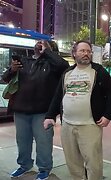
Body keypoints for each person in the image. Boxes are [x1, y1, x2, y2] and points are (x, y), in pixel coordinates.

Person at [44, 40, 111, 180]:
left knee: (93, 163)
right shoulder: (67, 73)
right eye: (82, 51)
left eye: (88, 51)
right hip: (67, 125)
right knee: (73, 162)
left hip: (90, 126)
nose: (86, 54)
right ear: (74, 54)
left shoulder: (99, 71)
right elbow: (58, 95)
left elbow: (110, 94)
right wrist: (50, 115)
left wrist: (108, 115)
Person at [1, 40, 69, 180]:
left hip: (43, 112)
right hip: (20, 110)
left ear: (50, 49)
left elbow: (63, 66)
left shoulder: (52, 64)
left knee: (43, 142)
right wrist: (12, 70)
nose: (39, 45)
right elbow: (5, 78)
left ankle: (44, 169)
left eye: (43, 44)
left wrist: (47, 52)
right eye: (38, 44)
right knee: (23, 141)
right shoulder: (24, 61)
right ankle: (24, 165)